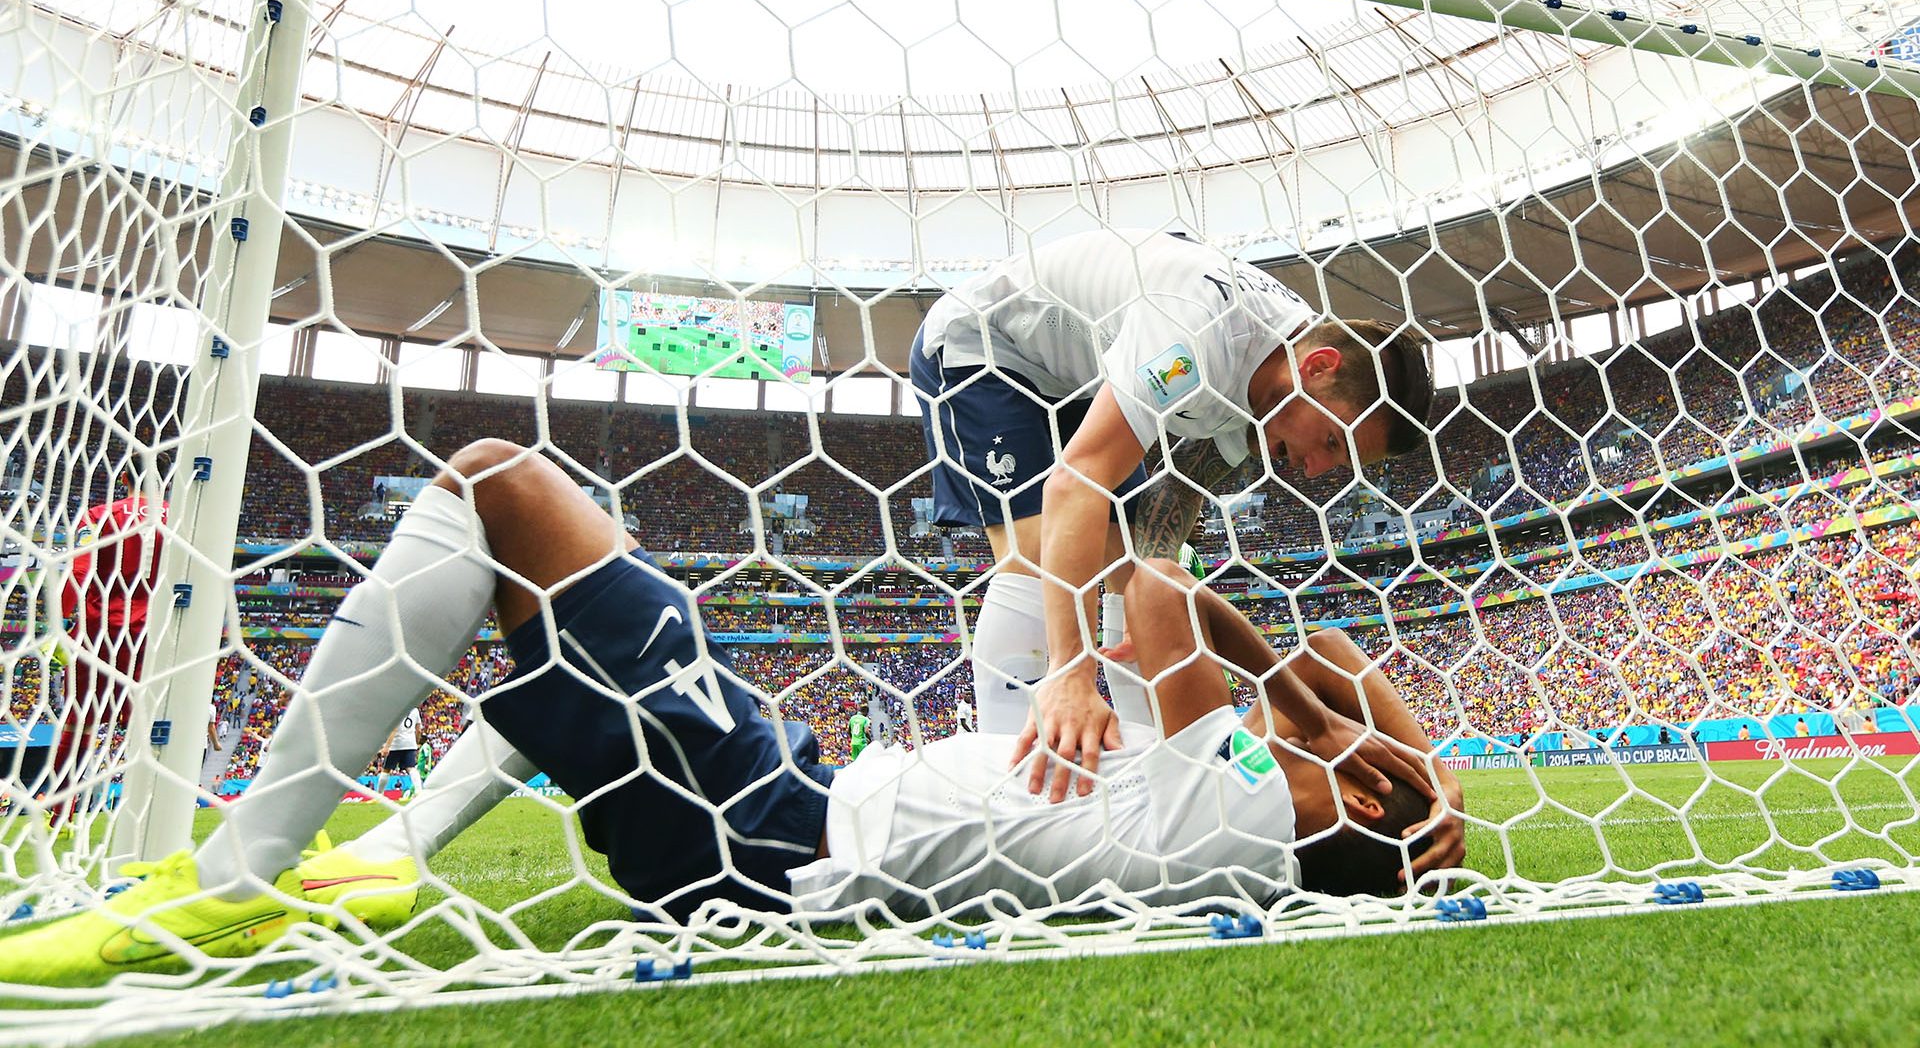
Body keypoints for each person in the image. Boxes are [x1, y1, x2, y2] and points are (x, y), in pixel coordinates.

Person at [0, 444, 1445, 981]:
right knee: (584, 615)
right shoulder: (1244, 813)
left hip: (772, 844)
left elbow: (1155, 590)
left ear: (1359, 797)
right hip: (796, 806)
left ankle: (236, 886)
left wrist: (1334, 711)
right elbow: (1302, 649)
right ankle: (395, 849)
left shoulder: (1246, 793)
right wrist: (1343, 718)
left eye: (1394, 737)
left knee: (506, 489)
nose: (1377, 708)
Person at [910, 228, 1432, 802]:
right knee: (1036, 556)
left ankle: (1157, 774)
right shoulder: (1197, 331)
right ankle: (1013, 783)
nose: (1313, 470)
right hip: (985, 346)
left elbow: (1179, 495)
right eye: (1333, 441)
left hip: (1080, 376)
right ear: (1318, 367)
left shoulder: (1269, 376)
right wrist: (1074, 667)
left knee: (1126, 571)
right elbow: (1076, 482)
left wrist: (1147, 599)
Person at [45, 492, 166, 827]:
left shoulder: (99, 514)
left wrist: (58, 623)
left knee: (79, 719)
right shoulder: (181, 520)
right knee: (144, 724)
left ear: (125, 478)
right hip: (152, 636)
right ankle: (151, 815)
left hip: (96, 633)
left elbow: (79, 569)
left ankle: (60, 815)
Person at [373, 707, 423, 801]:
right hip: (410, 744)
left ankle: (379, 796)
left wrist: (387, 746)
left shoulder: (397, 709)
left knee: (386, 770)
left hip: (396, 745)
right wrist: (416, 742)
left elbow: (394, 730)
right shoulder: (415, 710)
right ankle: (419, 792)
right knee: (411, 768)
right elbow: (419, 729)